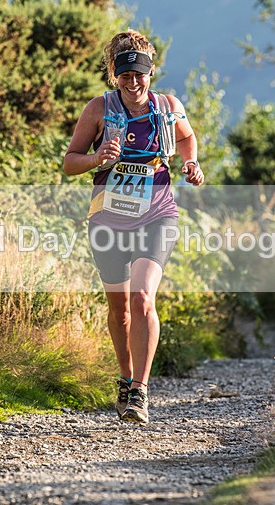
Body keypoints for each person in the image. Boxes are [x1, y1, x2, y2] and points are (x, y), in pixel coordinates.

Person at [63, 29, 204, 423]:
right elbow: (70, 161)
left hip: (158, 213)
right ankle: (124, 378)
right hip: (108, 218)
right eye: (125, 76)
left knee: (143, 298)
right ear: (114, 75)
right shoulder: (98, 109)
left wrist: (191, 164)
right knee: (120, 310)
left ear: (150, 72)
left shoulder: (168, 106)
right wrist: (97, 159)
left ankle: (140, 391)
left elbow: (188, 138)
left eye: (139, 75)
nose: (133, 82)